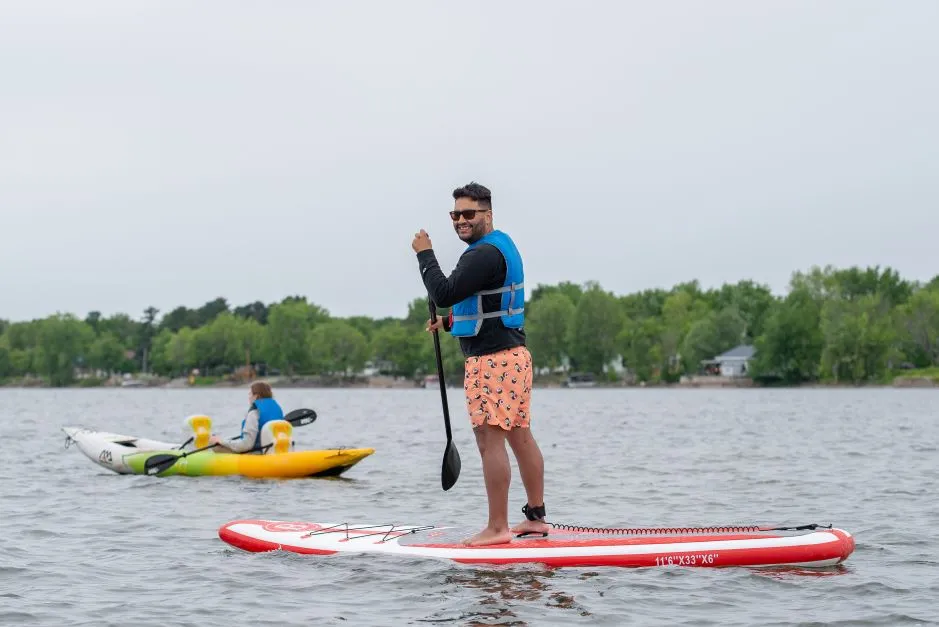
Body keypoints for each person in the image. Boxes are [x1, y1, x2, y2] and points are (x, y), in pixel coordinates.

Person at [411, 181, 549, 547]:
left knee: (490, 440)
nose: (461, 220)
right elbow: (484, 304)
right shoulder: (501, 246)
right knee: (519, 435)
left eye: (469, 214)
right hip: (514, 357)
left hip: (492, 363)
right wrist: (449, 322)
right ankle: (536, 519)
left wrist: (425, 255)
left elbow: (443, 293)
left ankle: (498, 527)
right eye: (455, 214)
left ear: (488, 214)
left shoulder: (481, 254)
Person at [208, 380, 285, 453]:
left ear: (256, 396)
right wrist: (226, 441)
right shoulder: (277, 409)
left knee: (214, 445)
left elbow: (246, 445)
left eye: (250, 393)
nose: (248, 396)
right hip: (274, 450)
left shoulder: (254, 413)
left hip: (258, 453)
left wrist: (220, 441)